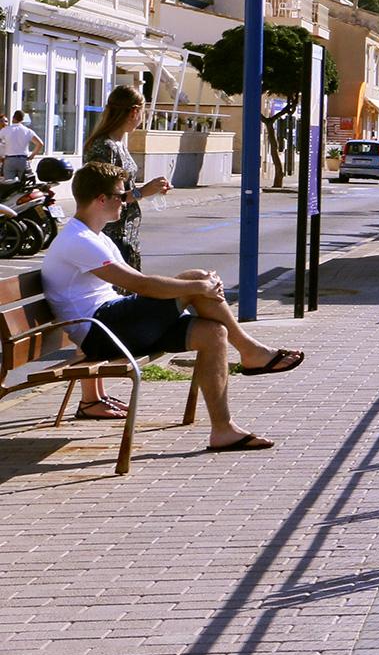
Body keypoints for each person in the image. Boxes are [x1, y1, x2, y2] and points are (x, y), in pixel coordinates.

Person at [43, 162, 303, 447]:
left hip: (114, 324)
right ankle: (251, 351)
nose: (126, 199)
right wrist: (197, 287)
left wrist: (197, 288)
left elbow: (142, 284)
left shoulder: (96, 236)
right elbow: (140, 285)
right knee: (196, 279)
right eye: (121, 194)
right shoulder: (78, 240)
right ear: (101, 199)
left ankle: (223, 429)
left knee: (213, 334)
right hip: (101, 331)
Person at [83, 86, 171, 270]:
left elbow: (122, 187)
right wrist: (142, 192)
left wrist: (150, 189)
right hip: (111, 236)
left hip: (125, 235)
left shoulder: (118, 144)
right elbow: (105, 197)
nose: (142, 118)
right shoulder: (105, 147)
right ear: (134, 112)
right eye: (143, 112)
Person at [0, 110, 43, 182]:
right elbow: (40, 143)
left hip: (10, 160)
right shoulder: (28, 131)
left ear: (13, 118)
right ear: (22, 120)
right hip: (23, 160)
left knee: (9, 184)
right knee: (23, 184)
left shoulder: (5, 130)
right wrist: (32, 156)